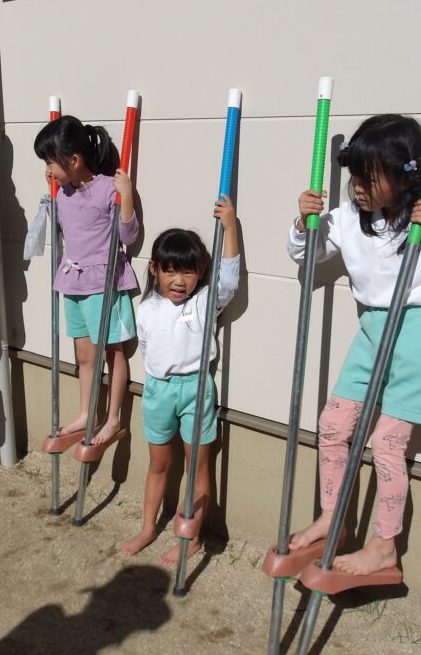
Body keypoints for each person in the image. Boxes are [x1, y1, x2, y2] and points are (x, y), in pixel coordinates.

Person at [287, 114, 421, 575]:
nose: (358, 188)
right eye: (355, 177)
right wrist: (304, 223)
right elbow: (306, 254)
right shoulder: (349, 217)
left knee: (386, 442)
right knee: (332, 425)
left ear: (404, 175)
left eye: (369, 178)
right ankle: (333, 519)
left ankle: (384, 546)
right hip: (374, 327)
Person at [121, 196, 240, 564]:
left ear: (200, 272)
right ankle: (148, 527)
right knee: (158, 463)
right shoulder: (146, 309)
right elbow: (146, 350)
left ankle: (192, 537)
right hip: (158, 390)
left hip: (196, 390)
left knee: (197, 466)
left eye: (188, 272)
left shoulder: (204, 302)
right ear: (155, 269)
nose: (179, 280)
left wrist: (230, 226)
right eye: (170, 271)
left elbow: (230, 277)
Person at [34, 115, 138, 445]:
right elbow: (63, 229)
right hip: (73, 281)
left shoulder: (108, 188)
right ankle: (86, 414)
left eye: (50, 162)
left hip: (103, 283)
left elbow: (128, 235)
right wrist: (50, 193)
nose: (48, 170)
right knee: (84, 355)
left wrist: (126, 196)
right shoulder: (62, 193)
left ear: (74, 160)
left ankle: (113, 418)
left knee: (111, 351)